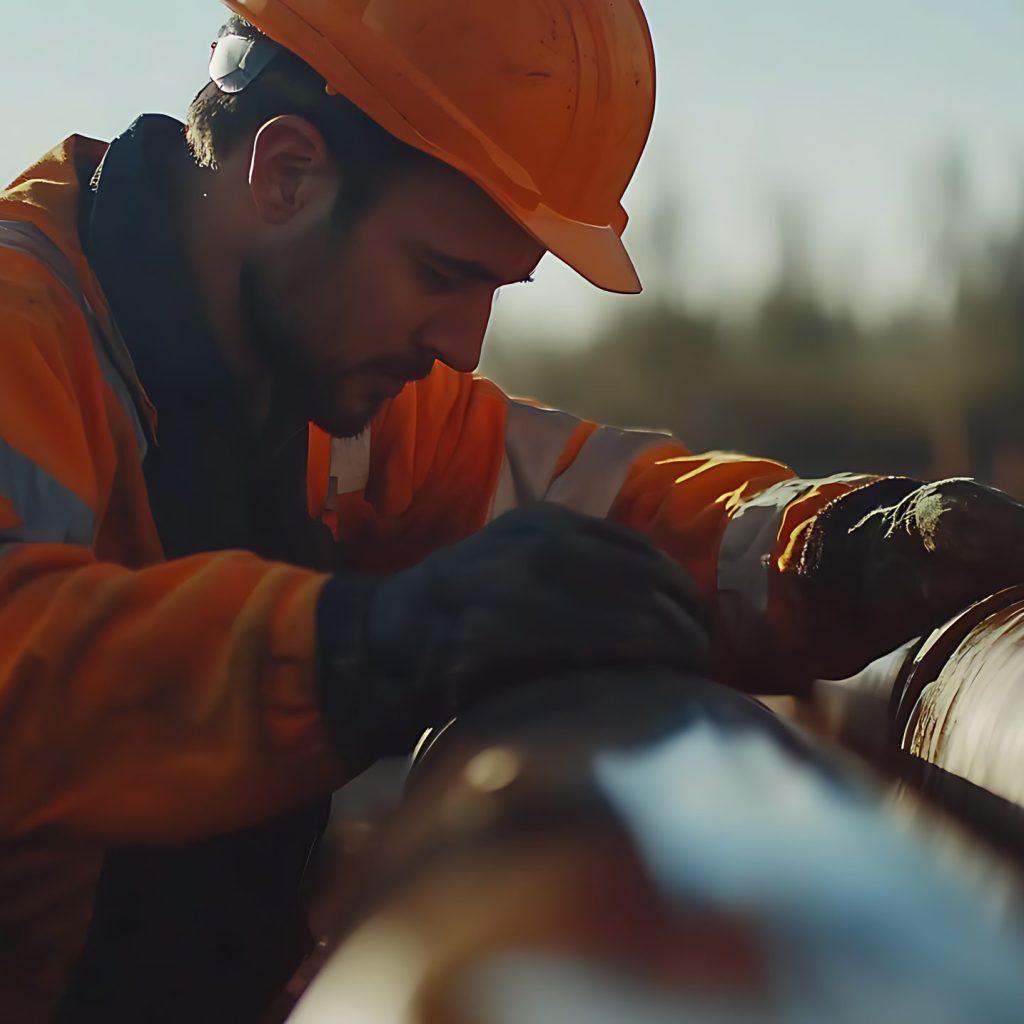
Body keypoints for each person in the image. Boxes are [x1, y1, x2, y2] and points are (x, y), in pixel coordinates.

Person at [2, 1, 1023, 1019]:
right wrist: (364, 648)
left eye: (494, 287)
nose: (464, 344)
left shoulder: (323, 386)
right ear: (287, 174)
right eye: (441, 274)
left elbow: (595, 505)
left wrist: (840, 546)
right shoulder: (23, 334)